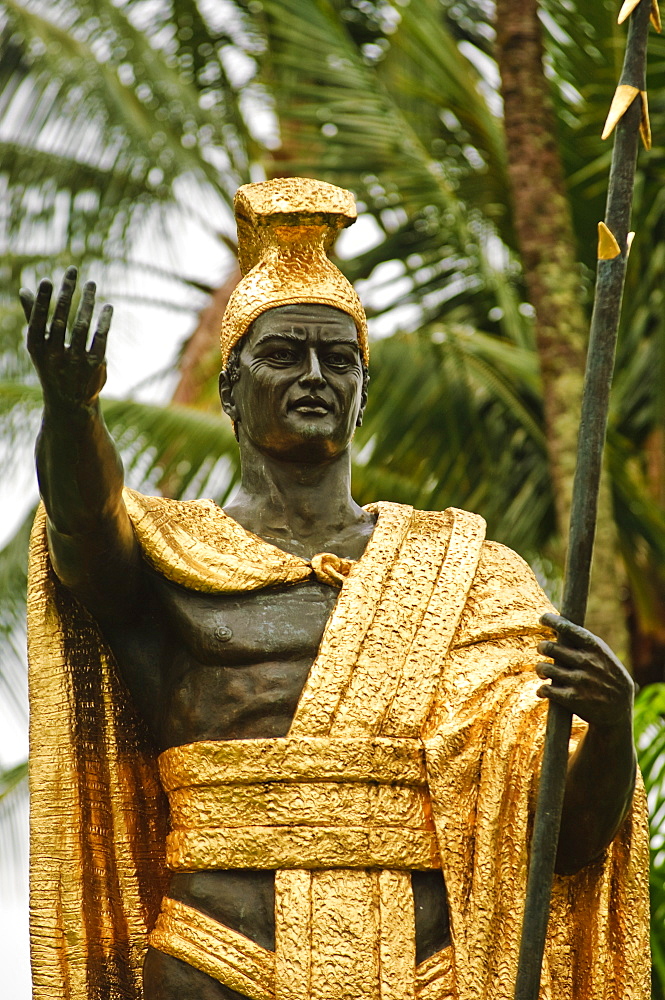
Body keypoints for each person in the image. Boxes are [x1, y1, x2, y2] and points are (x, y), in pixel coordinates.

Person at [24, 178, 649, 1000]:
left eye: (338, 358)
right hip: (217, 961)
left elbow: (555, 839)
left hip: (423, 974)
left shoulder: (468, 575)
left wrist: (608, 726)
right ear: (230, 387)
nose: (315, 375)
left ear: (361, 394)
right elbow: (84, 528)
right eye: (283, 354)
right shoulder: (170, 553)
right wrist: (74, 415)